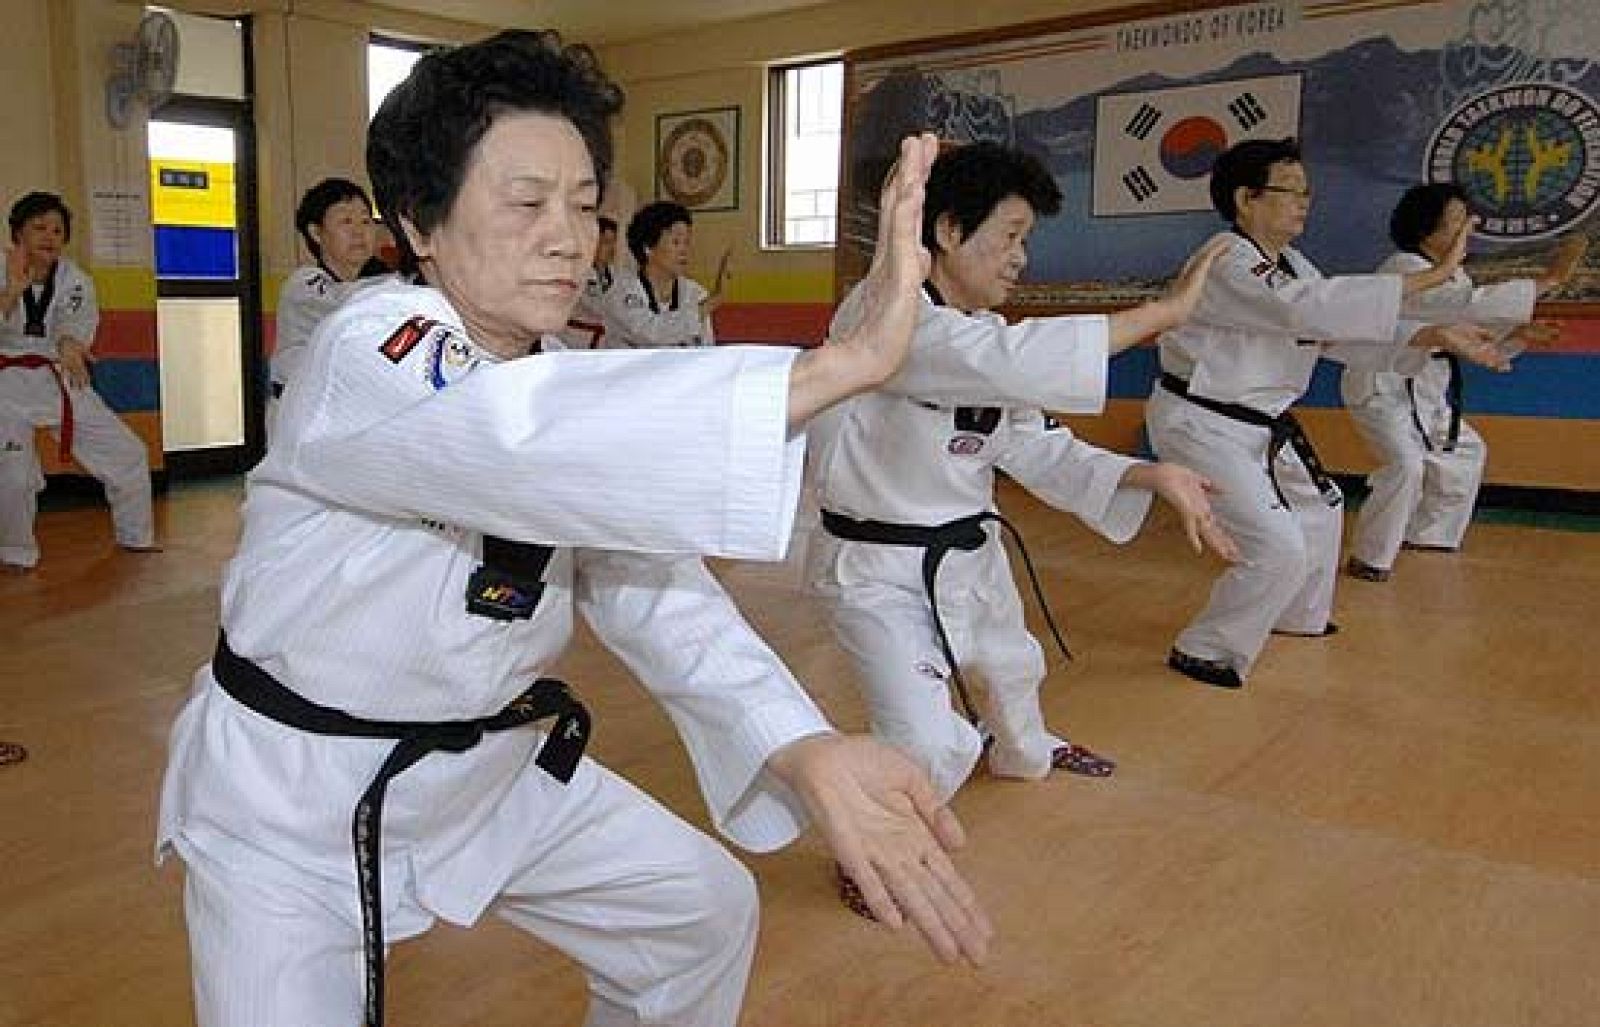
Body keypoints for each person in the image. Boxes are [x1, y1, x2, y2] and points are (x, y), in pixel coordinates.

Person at [156, 30, 987, 1027]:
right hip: (291, 810)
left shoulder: (557, 381)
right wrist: (836, 366)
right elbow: (521, 443)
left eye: (586, 205)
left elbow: (660, 593)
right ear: (420, 222)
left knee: (698, 910)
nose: (567, 236)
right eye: (525, 203)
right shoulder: (369, 350)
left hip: (487, 777)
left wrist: (802, 744)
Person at [806, 140, 1238, 851]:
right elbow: (1009, 362)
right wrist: (1162, 312)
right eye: (1010, 237)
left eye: (1025, 241)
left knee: (1013, 670)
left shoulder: (979, 333)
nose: (1020, 259)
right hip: (875, 573)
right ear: (948, 231)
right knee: (926, 740)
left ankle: (1022, 751)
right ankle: (877, 845)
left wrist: (1149, 474)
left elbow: (1034, 443)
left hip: (967, 549)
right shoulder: (882, 317)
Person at [1145, 138, 1509, 690]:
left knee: (1323, 506)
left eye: (1307, 193)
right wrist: (1434, 277)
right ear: (1247, 199)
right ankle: (1206, 648)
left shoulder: (1293, 264)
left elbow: (1330, 329)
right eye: (1291, 192)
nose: (1304, 203)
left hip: (1257, 423)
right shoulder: (1225, 258)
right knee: (1277, 544)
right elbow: (1306, 309)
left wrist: (1435, 334)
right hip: (1201, 422)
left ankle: (1295, 616)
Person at [1341, 183, 1586, 581]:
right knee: (1406, 465)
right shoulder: (1403, 269)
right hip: (1383, 385)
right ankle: (1370, 558)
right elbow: (1463, 308)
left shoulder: (1455, 281)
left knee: (1467, 453)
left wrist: (1520, 337)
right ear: (1428, 233)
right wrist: (1550, 280)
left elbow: (1469, 339)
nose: (1465, 232)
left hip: (1428, 388)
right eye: (1456, 224)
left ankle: (1427, 535)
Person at [0, 191, 157, 571]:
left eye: (57, 229)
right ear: (17, 233)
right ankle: (15, 552)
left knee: (128, 453)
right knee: (14, 476)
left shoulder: (75, 279)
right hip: (6, 383)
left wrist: (72, 343)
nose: (49, 236)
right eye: (38, 227)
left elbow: (77, 323)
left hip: (60, 375)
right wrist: (13, 291)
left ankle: (135, 536)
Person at [269, 177, 394, 436]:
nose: (359, 232)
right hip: (301, 415)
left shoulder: (381, 283)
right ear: (316, 233)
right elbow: (349, 304)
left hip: (347, 412)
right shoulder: (303, 284)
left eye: (366, 221)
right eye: (346, 222)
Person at [604, 200, 727, 348]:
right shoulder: (622, 292)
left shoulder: (695, 293)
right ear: (648, 247)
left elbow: (705, 349)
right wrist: (712, 303)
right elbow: (652, 333)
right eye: (676, 242)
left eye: (686, 242)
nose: (684, 251)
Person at [559, 214, 617, 349]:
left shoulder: (617, 276)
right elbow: (597, 308)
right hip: (574, 342)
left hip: (604, 344)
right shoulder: (574, 273)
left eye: (613, 242)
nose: (612, 249)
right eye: (606, 242)